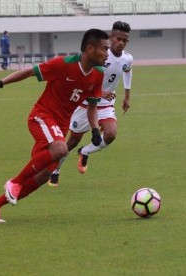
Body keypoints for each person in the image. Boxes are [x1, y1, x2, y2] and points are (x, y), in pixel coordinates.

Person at [0, 29, 110, 223]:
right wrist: (0, 83)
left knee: (44, 175)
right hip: (42, 116)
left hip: (60, 126)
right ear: (90, 49)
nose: (107, 53)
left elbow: (92, 107)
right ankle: (14, 182)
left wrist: (94, 130)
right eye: (104, 49)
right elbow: (29, 72)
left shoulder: (98, 74)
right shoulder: (63, 64)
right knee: (61, 149)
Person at [48, 21, 134, 186]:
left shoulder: (127, 58)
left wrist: (127, 96)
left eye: (125, 40)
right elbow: (83, 76)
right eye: (118, 39)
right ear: (111, 38)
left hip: (106, 105)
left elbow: (127, 71)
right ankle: (56, 170)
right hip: (85, 104)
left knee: (111, 134)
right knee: (71, 142)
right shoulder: (99, 56)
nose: (121, 43)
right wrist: (99, 92)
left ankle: (85, 152)